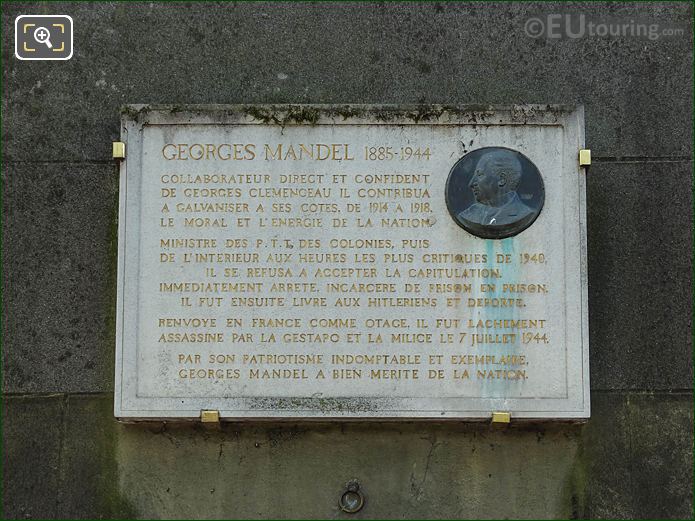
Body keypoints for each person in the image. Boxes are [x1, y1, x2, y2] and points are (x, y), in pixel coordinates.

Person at [457, 149, 535, 237]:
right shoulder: (469, 214)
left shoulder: (523, 213)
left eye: (480, 175)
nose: (471, 183)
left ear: (502, 179)